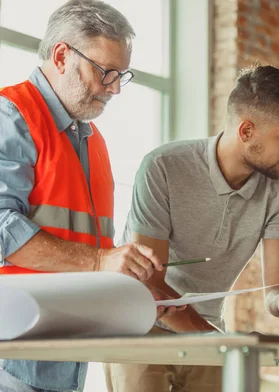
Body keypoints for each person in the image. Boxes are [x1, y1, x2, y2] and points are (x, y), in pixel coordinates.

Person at [103, 64, 279, 392]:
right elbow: (150, 289)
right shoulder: (164, 168)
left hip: (207, 332)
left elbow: (276, 291)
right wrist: (219, 341)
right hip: (139, 326)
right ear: (246, 131)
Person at [0, 1, 167, 391]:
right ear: (61, 55)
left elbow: (89, 251)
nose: (113, 89)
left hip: (65, 359)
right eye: (105, 72)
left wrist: (125, 275)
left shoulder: (92, 142)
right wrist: (100, 261)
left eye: (121, 76)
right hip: (12, 356)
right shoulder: (10, 117)